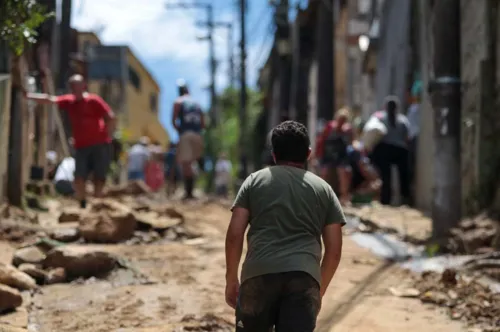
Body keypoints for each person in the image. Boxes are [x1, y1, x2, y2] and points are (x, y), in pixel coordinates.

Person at [225, 120, 344, 332]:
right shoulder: (324, 190)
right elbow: (334, 251)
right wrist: (318, 288)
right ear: (308, 154)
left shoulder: (254, 181)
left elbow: (235, 234)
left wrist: (231, 278)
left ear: (274, 154)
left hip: (258, 275)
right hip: (303, 278)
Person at [25, 74, 115, 209]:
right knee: (79, 176)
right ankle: (83, 202)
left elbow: (110, 117)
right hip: (81, 146)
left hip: (99, 144)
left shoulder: (93, 100)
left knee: (99, 175)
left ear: (83, 86)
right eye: (72, 85)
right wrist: (27, 95)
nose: (74, 88)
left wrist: (108, 136)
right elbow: (50, 100)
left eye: (77, 85)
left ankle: (97, 203)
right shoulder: (69, 101)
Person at [370, 96, 411, 205]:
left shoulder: (380, 118)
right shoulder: (403, 120)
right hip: (401, 151)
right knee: (403, 176)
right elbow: (407, 137)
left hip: (385, 150)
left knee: (385, 176)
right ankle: (405, 198)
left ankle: (385, 199)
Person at [171, 79, 205, 199]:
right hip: (197, 134)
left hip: (186, 133)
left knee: (186, 163)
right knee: (193, 162)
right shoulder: (196, 103)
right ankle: (192, 190)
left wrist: (180, 131)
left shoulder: (178, 101)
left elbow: (174, 120)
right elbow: (203, 122)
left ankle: (189, 192)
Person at [315, 107, 353, 198]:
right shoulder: (329, 127)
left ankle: (344, 196)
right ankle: (322, 195)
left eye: (343, 120)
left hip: (341, 156)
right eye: (340, 119)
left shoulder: (348, 130)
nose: (341, 122)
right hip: (328, 155)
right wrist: (317, 156)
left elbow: (351, 142)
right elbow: (321, 141)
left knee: (345, 172)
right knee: (324, 173)